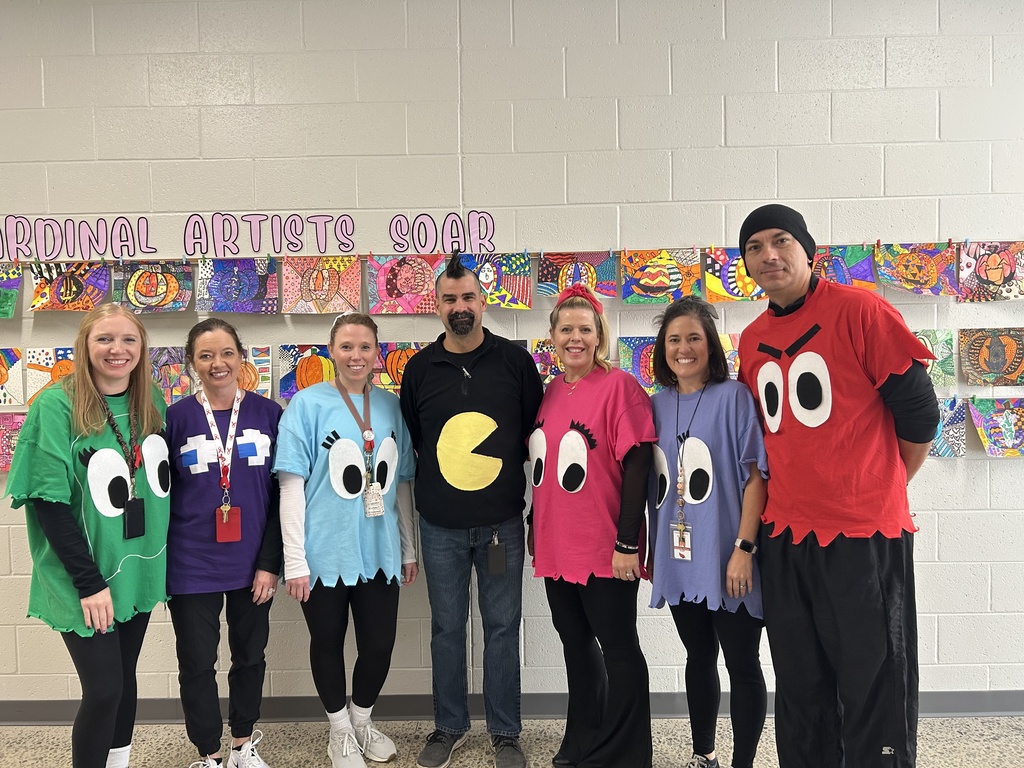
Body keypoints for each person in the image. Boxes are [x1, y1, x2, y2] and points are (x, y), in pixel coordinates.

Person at [736, 204, 940, 768]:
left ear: (808, 249)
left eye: (781, 241)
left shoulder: (859, 310)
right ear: (746, 263)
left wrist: (881, 485)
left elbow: (920, 414)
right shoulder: (751, 339)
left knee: (874, 679)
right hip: (786, 536)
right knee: (801, 682)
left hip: (861, 536)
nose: (769, 254)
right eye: (755, 246)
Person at [4, 304, 170, 768]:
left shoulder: (151, 399)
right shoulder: (55, 406)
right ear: (85, 344)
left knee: (125, 678)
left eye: (128, 340)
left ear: (141, 348)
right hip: (85, 578)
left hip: (137, 564)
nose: (117, 350)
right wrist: (89, 582)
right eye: (104, 339)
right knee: (104, 689)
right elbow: (48, 503)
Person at [399, 256, 543, 768]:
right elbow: (417, 442)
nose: (459, 307)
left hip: (502, 525)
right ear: (435, 306)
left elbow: (530, 435)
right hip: (440, 527)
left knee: (503, 627)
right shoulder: (418, 370)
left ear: (483, 301)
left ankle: (506, 731)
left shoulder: (515, 363)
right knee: (448, 627)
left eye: (467, 297)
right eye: (449, 299)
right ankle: (449, 725)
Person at [274, 313, 417, 768]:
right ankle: (338, 732)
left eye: (365, 347)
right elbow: (291, 485)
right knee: (327, 641)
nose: (356, 356)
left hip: (379, 551)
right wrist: (294, 560)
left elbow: (403, 486)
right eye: (346, 347)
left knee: (379, 643)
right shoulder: (306, 405)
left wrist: (408, 548)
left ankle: (361, 720)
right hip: (323, 552)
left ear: (378, 353)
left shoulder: (392, 407)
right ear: (331, 351)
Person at [528, 283, 656, 768]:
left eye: (585, 329)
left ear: (599, 334)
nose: (575, 338)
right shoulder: (552, 391)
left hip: (606, 546)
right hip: (557, 547)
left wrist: (628, 542)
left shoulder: (621, 387)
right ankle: (582, 739)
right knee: (576, 647)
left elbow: (639, 465)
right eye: (566, 330)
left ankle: (624, 753)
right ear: (553, 336)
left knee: (620, 650)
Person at [647, 297, 769, 768]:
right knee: (698, 656)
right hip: (680, 560)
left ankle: (744, 761)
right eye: (674, 339)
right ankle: (705, 755)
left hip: (728, 555)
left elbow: (756, 476)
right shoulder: (655, 406)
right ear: (662, 349)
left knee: (742, 664)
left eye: (693, 338)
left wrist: (743, 548)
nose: (683, 348)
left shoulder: (735, 398)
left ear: (710, 345)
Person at [165, 319, 283, 768]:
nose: (218, 363)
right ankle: (209, 753)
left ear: (242, 357)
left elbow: (282, 497)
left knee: (250, 657)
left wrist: (270, 563)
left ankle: (242, 744)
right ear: (192, 362)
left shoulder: (270, 415)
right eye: (207, 355)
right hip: (190, 562)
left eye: (227, 353)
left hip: (253, 561)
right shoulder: (174, 419)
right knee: (196, 663)